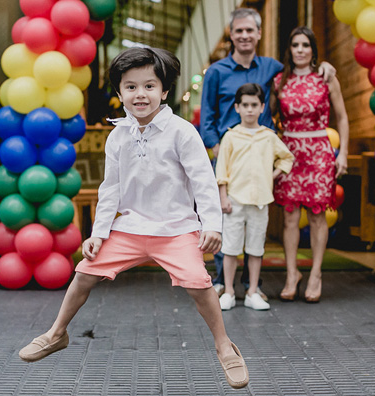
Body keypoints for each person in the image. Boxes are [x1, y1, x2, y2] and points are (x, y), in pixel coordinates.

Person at [18, 48, 249, 389]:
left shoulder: (182, 132)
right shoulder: (118, 136)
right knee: (83, 272)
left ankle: (224, 346)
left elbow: (203, 180)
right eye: (131, 87)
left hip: (175, 229)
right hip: (128, 227)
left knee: (199, 285)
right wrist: (98, 232)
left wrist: (212, 225)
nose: (140, 94)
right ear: (119, 93)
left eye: (149, 86)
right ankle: (56, 333)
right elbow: (110, 188)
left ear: (164, 91)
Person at [199, 7, 334, 297]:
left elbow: (302, 73)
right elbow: (207, 118)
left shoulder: (273, 68)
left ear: (259, 34)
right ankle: (224, 281)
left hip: (259, 158)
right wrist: (215, 147)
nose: (245, 35)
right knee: (227, 218)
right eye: (239, 31)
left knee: (256, 219)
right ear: (231, 35)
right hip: (227, 155)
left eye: (250, 30)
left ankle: (253, 285)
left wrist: (327, 68)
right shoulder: (216, 72)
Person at [271, 26, 349, 303]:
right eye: (296, 45)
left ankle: (315, 273)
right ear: (290, 49)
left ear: (313, 50)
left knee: (317, 216)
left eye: (306, 45)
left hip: (318, 150)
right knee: (290, 217)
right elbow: (269, 117)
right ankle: (292, 274)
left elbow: (341, 117)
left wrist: (343, 154)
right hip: (290, 151)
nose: (301, 50)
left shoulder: (326, 77)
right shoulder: (280, 80)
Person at [215, 83, 294, 311]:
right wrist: (223, 197)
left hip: (260, 201)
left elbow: (286, 157)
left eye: (254, 105)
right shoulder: (230, 137)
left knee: (256, 248)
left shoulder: (268, 137)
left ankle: (251, 293)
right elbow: (222, 169)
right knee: (230, 248)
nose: (250, 110)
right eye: (245, 105)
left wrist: (273, 175)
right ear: (237, 107)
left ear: (261, 108)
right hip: (235, 200)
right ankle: (229, 291)